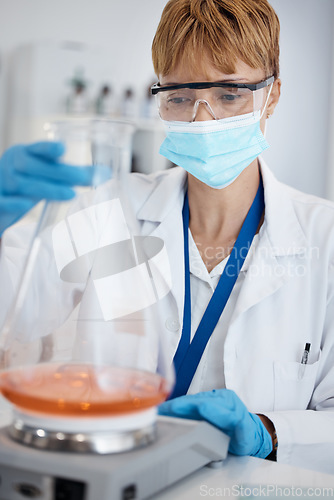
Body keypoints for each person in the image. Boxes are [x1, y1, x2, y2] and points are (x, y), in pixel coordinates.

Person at [0, 0, 334, 473]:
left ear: (273, 95)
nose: (202, 119)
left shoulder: (326, 238)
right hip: (114, 473)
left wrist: (269, 431)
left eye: (229, 94)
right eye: (179, 96)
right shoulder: (106, 207)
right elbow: (15, 307)